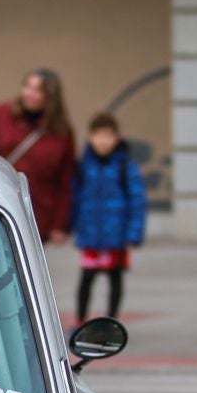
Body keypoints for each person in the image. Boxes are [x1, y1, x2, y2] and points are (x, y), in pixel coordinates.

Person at [0, 68, 75, 243]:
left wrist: (60, 224)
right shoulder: (2, 113)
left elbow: (66, 181)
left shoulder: (62, 132)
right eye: (27, 87)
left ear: (50, 96)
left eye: (38, 90)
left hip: (36, 214)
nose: (30, 94)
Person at [70, 112, 147, 324]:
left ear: (117, 138)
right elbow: (74, 197)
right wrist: (71, 225)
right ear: (90, 137)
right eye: (98, 135)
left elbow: (137, 200)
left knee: (115, 278)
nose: (103, 141)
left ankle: (111, 323)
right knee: (86, 279)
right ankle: (80, 321)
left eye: (108, 136)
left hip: (116, 236)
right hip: (91, 235)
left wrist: (134, 233)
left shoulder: (125, 167)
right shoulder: (83, 166)